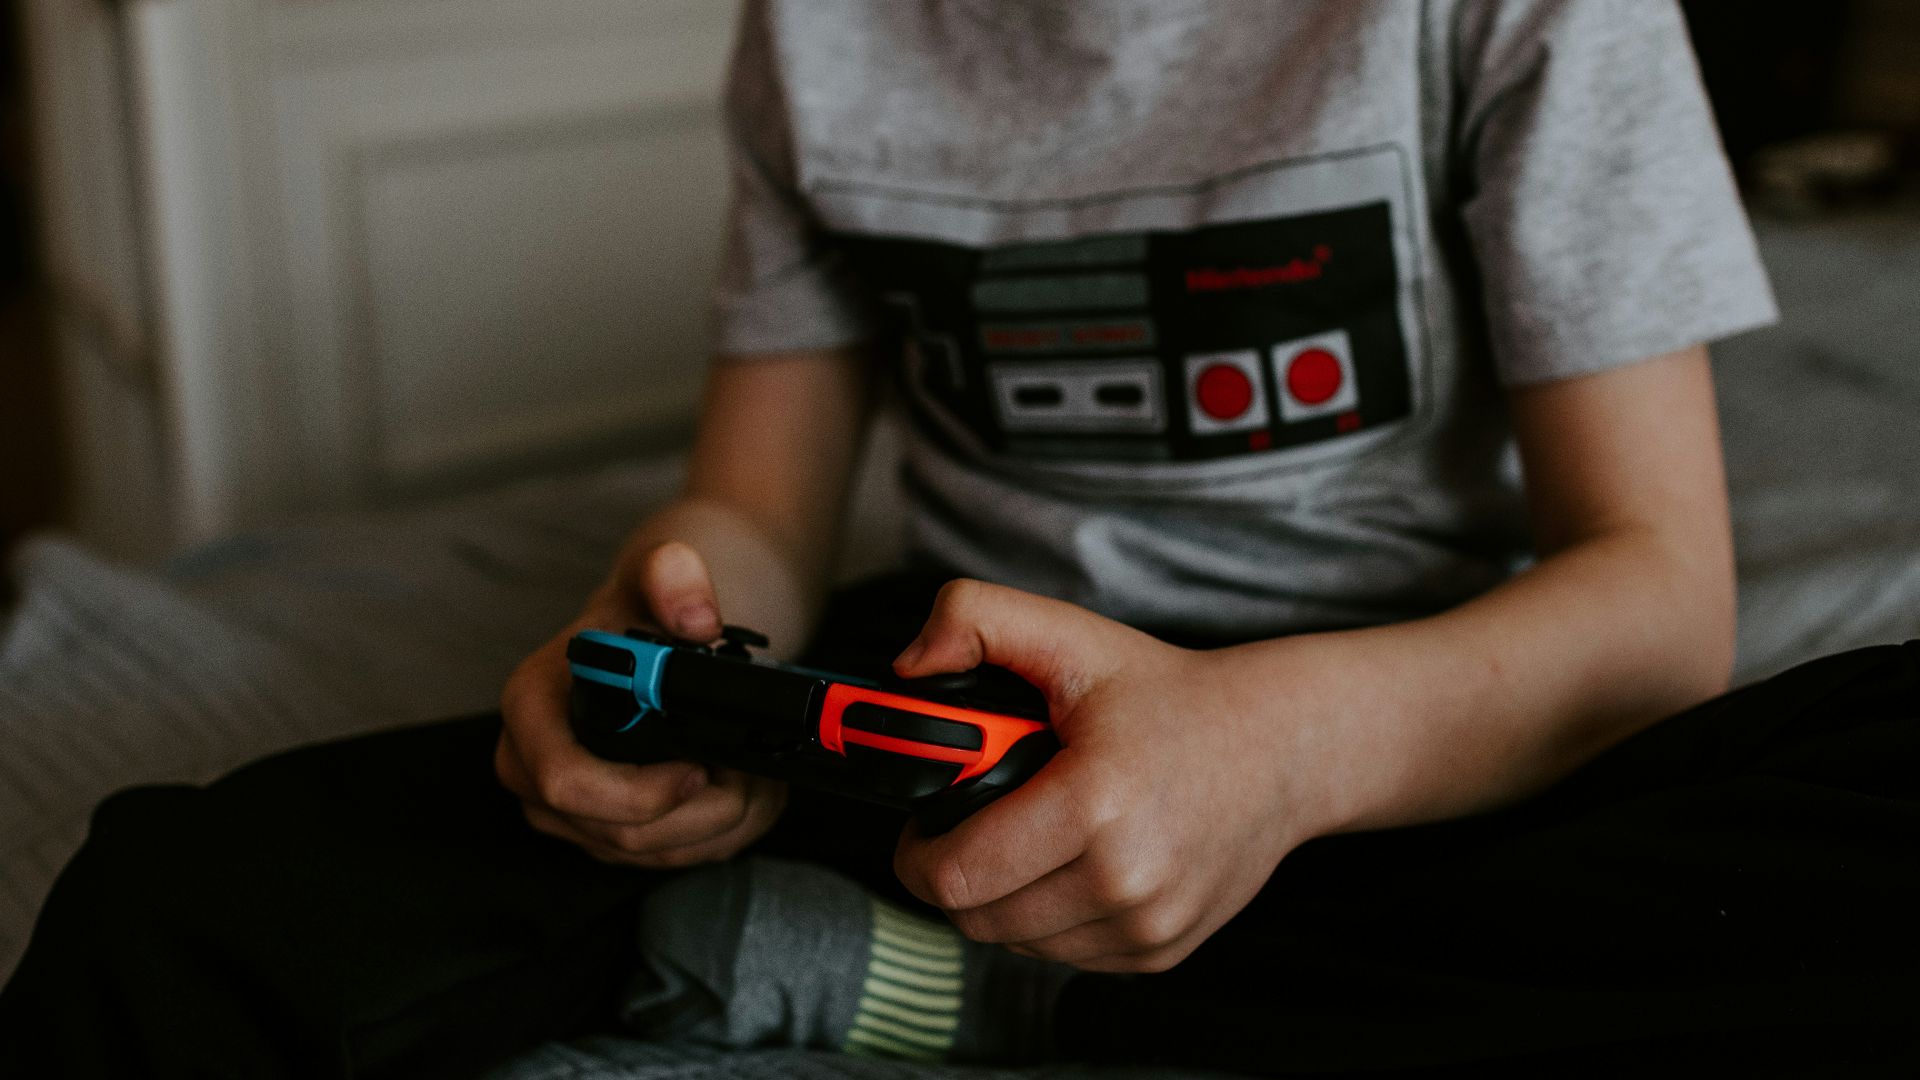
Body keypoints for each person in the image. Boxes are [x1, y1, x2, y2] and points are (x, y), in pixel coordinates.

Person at [13, 1, 1920, 1076]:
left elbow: (1657, 608)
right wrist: (667, 641)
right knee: (172, 895)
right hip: (944, 734)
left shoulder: (1531, 15)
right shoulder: (822, 34)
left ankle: (1025, 992)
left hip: (1411, 753)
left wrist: (1267, 757)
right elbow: (756, 507)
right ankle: (1072, 976)